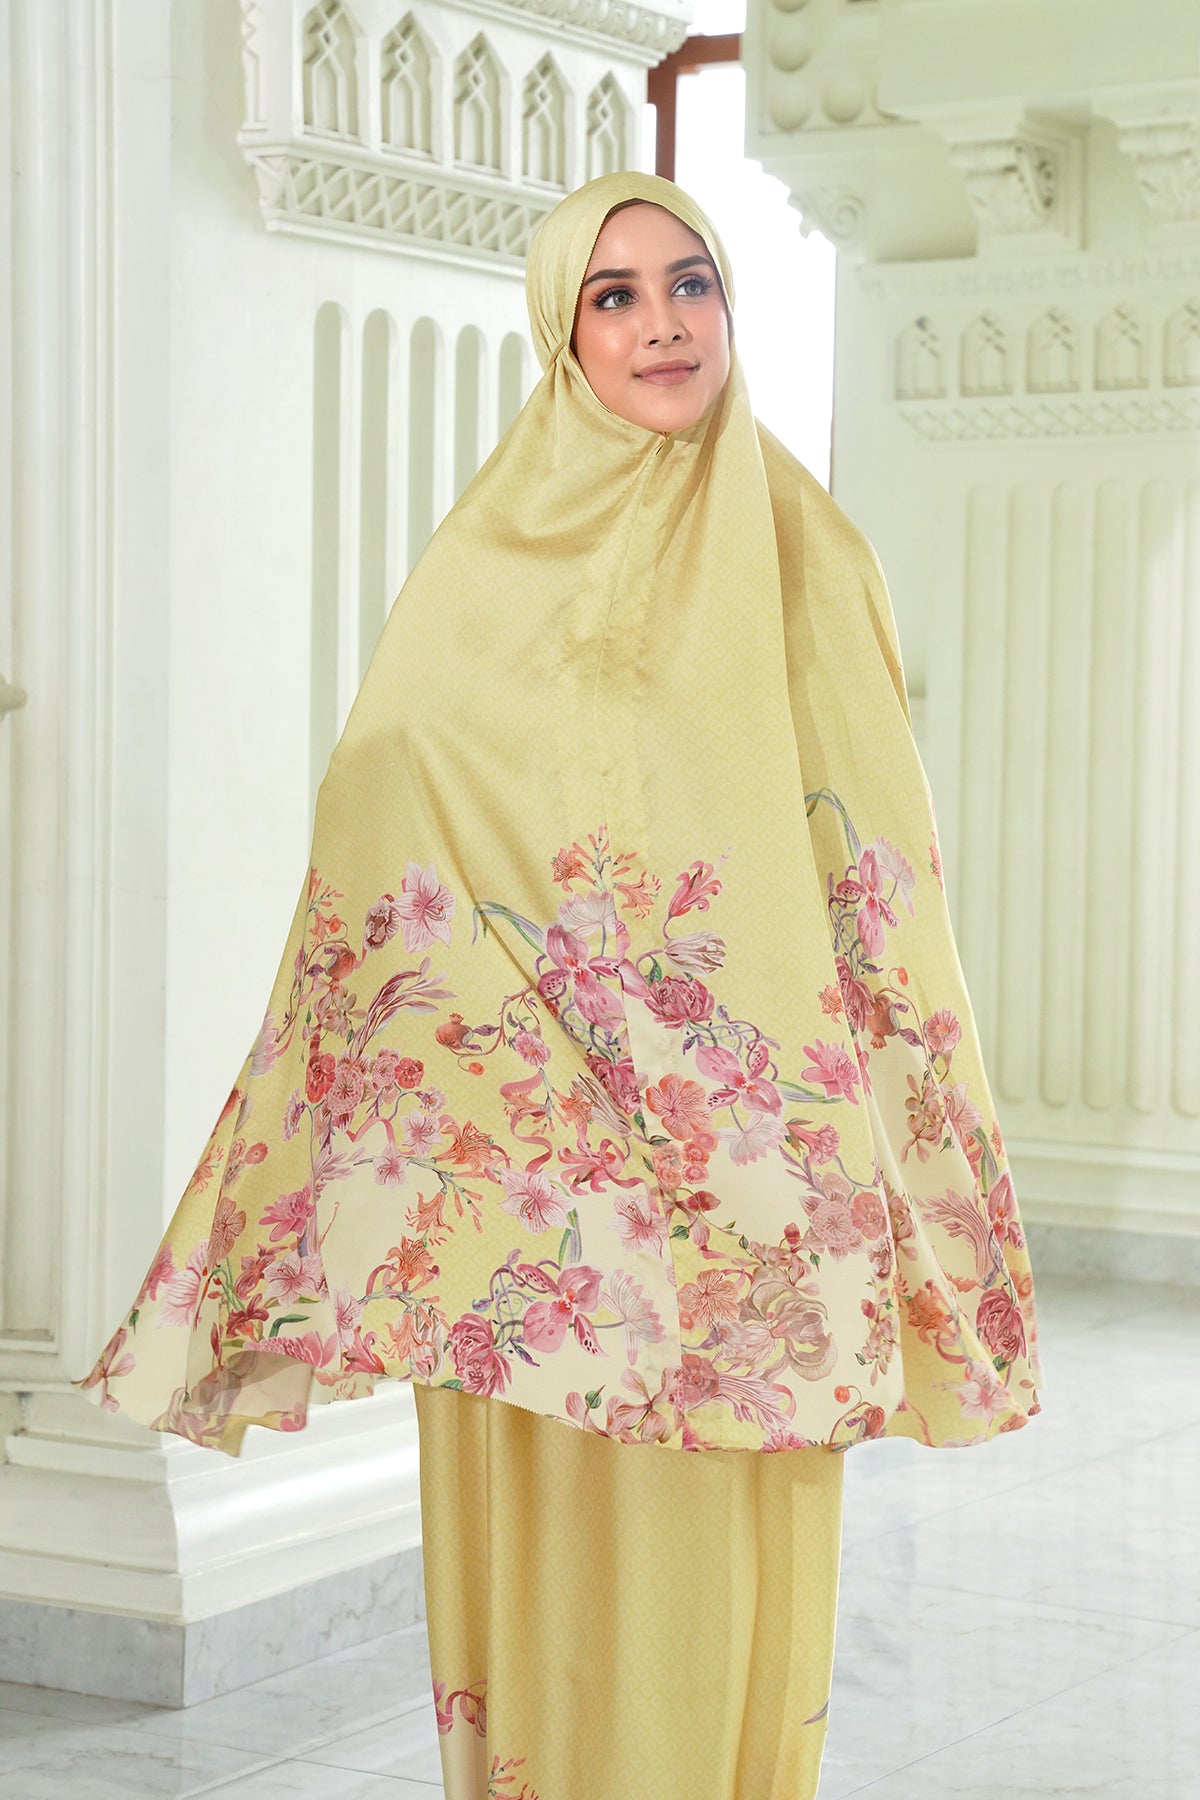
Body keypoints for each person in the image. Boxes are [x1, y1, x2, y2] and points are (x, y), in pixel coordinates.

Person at [79, 172, 1046, 1798]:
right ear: (563, 332)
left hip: (752, 1165)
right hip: (541, 1180)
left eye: (691, 282)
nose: (663, 323)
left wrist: (855, 1123)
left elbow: (873, 853)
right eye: (615, 295)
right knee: (547, 1554)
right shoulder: (492, 556)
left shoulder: (805, 549)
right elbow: (396, 786)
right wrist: (517, 1029)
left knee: (722, 1547)